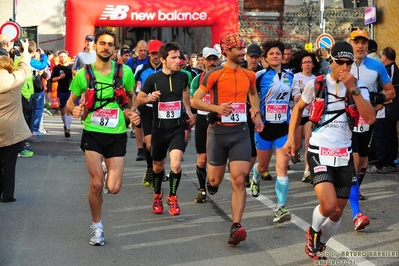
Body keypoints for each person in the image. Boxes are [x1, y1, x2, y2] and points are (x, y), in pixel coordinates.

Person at [283, 41, 375, 262]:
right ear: (331, 62)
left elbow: (370, 118)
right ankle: (313, 232)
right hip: (319, 150)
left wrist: (352, 89)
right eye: (340, 62)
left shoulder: (359, 87)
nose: (344, 67)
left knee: (338, 211)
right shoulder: (317, 84)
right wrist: (290, 139)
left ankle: (320, 244)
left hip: (343, 154)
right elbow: (298, 109)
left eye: (349, 62)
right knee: (329, 204)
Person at [66, 29, 140, 246]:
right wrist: (74, 110)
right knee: (97, 184)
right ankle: (97, 227)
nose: (106, 47)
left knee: (114, 188)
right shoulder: (84, 74)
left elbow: (129, 96)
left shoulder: (124, 72)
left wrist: (131, 111)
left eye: (110, 44)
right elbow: (71, 102)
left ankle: (107, 170)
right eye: (102, 43)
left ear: (114, 49)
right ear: (95, 47)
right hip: (93, 132)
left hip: (117, 133)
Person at [191, 33, 264, 245]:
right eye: (239, 50)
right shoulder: (214, 74)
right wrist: (216, 108)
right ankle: (210, 184)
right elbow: (196, 101)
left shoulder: (249, 75)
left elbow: (252, 95)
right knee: (214, 179)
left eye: (243, 49)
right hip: (218, 132)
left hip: (240, 132)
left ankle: (236, 226)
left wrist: (256, 113)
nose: (243, 53)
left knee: (239, 179)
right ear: (227, 52)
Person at [136, 42, 193, 216]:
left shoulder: (184, 76)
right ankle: (157, 195)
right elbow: (138, 99)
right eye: (174, 58)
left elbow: (185, 92)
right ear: (163, 60)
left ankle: (173, 197)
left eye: (179, 57)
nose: (178, 61)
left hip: (177, 127)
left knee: (175, 165)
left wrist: (189, 111)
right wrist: (149, 98)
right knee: (158, 167)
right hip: (159, 129)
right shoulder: (153, 79)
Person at [348, 29, 395, 231]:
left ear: (368, 45)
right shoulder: (343, 65)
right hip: (347, 121)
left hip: (367, 120)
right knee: (355, 160)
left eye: (364, 42)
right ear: (350, 43)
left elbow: (390, 92)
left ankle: (354, 188)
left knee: (364, 160)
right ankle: (352, 198)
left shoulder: (376, 66)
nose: (360, 46)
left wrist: (377, 105)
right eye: (356, 42)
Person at [249, 40, 294, 223]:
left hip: (284, 127)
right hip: (264, 127)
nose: (275, 56)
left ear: (283, 56)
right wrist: (255, 113)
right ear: (265, 58)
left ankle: (280, 208)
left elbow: (293, 98)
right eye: (271, 54)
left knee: (282, 167)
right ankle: (256, 177)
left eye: (278, 53)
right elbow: (250, 97)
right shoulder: (259, 76)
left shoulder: (291, 76)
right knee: (263, 166)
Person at [0, 39, 31, 202]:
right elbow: (25, 67)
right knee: (9, 163)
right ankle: (8, 195)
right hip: (12, 129)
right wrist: (25, 50)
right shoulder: (15, 80)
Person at [189, 47, 220, 203]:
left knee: (214, 158)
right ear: (203, 61)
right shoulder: (197, 80)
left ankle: (212, 180)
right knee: (202, 159)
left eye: (215, 59)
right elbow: (193, 101)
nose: (212, 63)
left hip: (219, 121)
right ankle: (202, 190)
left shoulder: (223, 77)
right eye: (209, 60)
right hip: (203, 120)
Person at [134, 40, 163, 186]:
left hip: (163, 110)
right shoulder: (141, 69)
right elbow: (134, 89)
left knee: (161, 142)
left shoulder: (168, 68)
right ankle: (150, 169)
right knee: (149, 143)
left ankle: (158, 169)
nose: (155, 57)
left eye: (158, 53)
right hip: (146, 108)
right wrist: (135, 107)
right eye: (152, 53)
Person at [288, 50, 320, 182]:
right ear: (301, 65)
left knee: (308, 142)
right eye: (305, 62)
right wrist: (292, 100)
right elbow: (285, 94)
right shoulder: (294, 77)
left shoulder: (317, 80)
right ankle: (294, 153)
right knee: (297, 146)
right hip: (296, 113)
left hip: (310, 115)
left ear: (313, 65)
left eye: (310, 62)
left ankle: (307, 171)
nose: (307, 64)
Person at [242, 43, 269, 185]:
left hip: (257, 113)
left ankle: (246, 173)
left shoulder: (262, 74)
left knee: (253, 146)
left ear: (260, 58)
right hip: (241, 113)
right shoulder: (239, 71)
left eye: (256, 57)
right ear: (246, 57)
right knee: (242, 144)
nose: (253, 60)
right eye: (251, 57)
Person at [372, 47, 399, 172]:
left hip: (387, 109)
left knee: (382, 136)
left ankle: (382, 163)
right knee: (390, 136)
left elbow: (387, 90)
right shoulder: (391, 69)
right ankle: (389, 162)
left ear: (385, 57)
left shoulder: (390, 70)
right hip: (390, 109)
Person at [126, 40, 149, 160]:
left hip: (150, 97)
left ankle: (147, 145)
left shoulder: (150, 62)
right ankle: (140, 149)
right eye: (141, 50)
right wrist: (132, 103)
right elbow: (130, 83)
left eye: (145, 50)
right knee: (138, 123)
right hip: (137, 95)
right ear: (136, 50)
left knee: (148, 125)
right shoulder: (131, 62)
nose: (143, 53)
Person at [51, 50, 73, 137]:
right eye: (61, 56)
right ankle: (65, 125)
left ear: (67, 57)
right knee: (62, 109)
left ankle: (68, 127)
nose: (62, 58)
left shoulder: (71, 67)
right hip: (60, 91)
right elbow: (52, 79)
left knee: (69, 109)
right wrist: (59, 77)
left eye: (64, 56)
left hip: (70, 91)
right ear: (58, 57)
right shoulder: (56, 68)